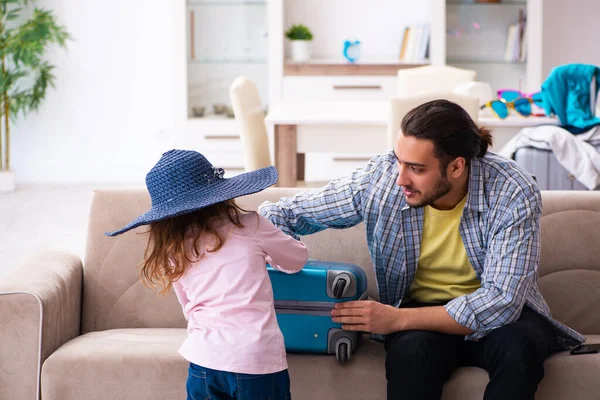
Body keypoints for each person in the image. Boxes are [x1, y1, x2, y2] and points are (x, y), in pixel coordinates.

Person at [259, 100, 584, 400]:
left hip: (503, 320)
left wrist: (396, 319)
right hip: (421, 314)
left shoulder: (512, 190)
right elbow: (285, 214)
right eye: (399, 161)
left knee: (519, 350)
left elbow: (501, 301)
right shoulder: (383, 180)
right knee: (411, 355)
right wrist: (252, 248)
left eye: (416, 168)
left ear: (456, 167)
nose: (401, 178)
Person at [106, 149, 309, 400]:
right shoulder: (251, 224)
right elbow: (297, 259)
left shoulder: (174, 249)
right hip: (254, 358)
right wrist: (269, 259)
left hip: (203, 359)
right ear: (220, 194)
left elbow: (188, 306)